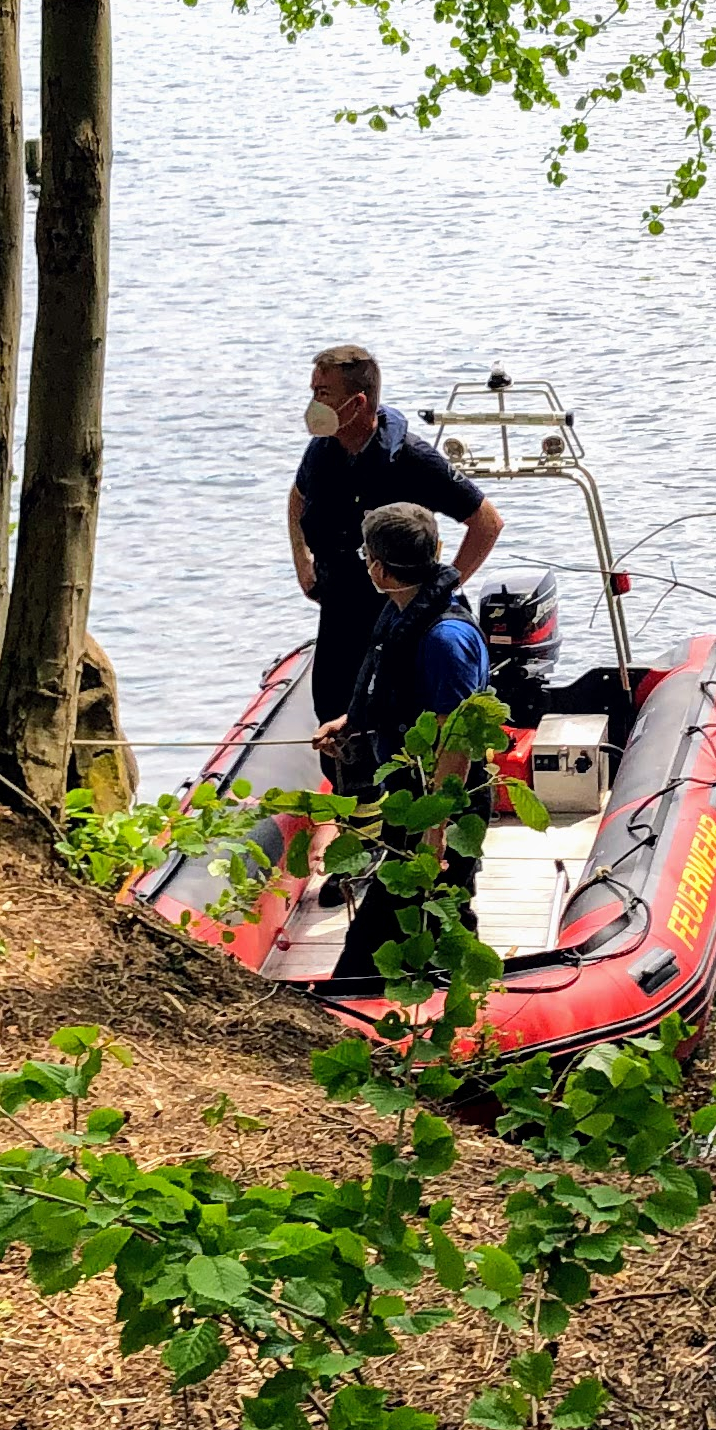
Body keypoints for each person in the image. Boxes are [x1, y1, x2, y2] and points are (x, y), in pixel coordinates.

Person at [310, 503, 493, 979]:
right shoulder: (404, 610)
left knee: (395, 923)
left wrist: (434, 832)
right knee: (441, 912)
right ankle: (462, 990)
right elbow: (396, 689)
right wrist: (352, 722)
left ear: (377, 569)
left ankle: (350, 998)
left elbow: (456, 742)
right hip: (412, 795)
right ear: (436, 549)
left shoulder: (444, 639)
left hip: (446, 801)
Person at [290, 343, 501, 723]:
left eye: (323, 394)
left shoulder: (412, 460)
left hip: (396, 616)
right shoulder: (322, 452)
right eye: (313, 393)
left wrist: (440, 591)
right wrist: (302, 561)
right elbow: (298, 496)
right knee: (333, 716)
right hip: (338, 609)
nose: (313, 404)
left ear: (356, 403)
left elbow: (486, 523)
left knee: (394, 721)